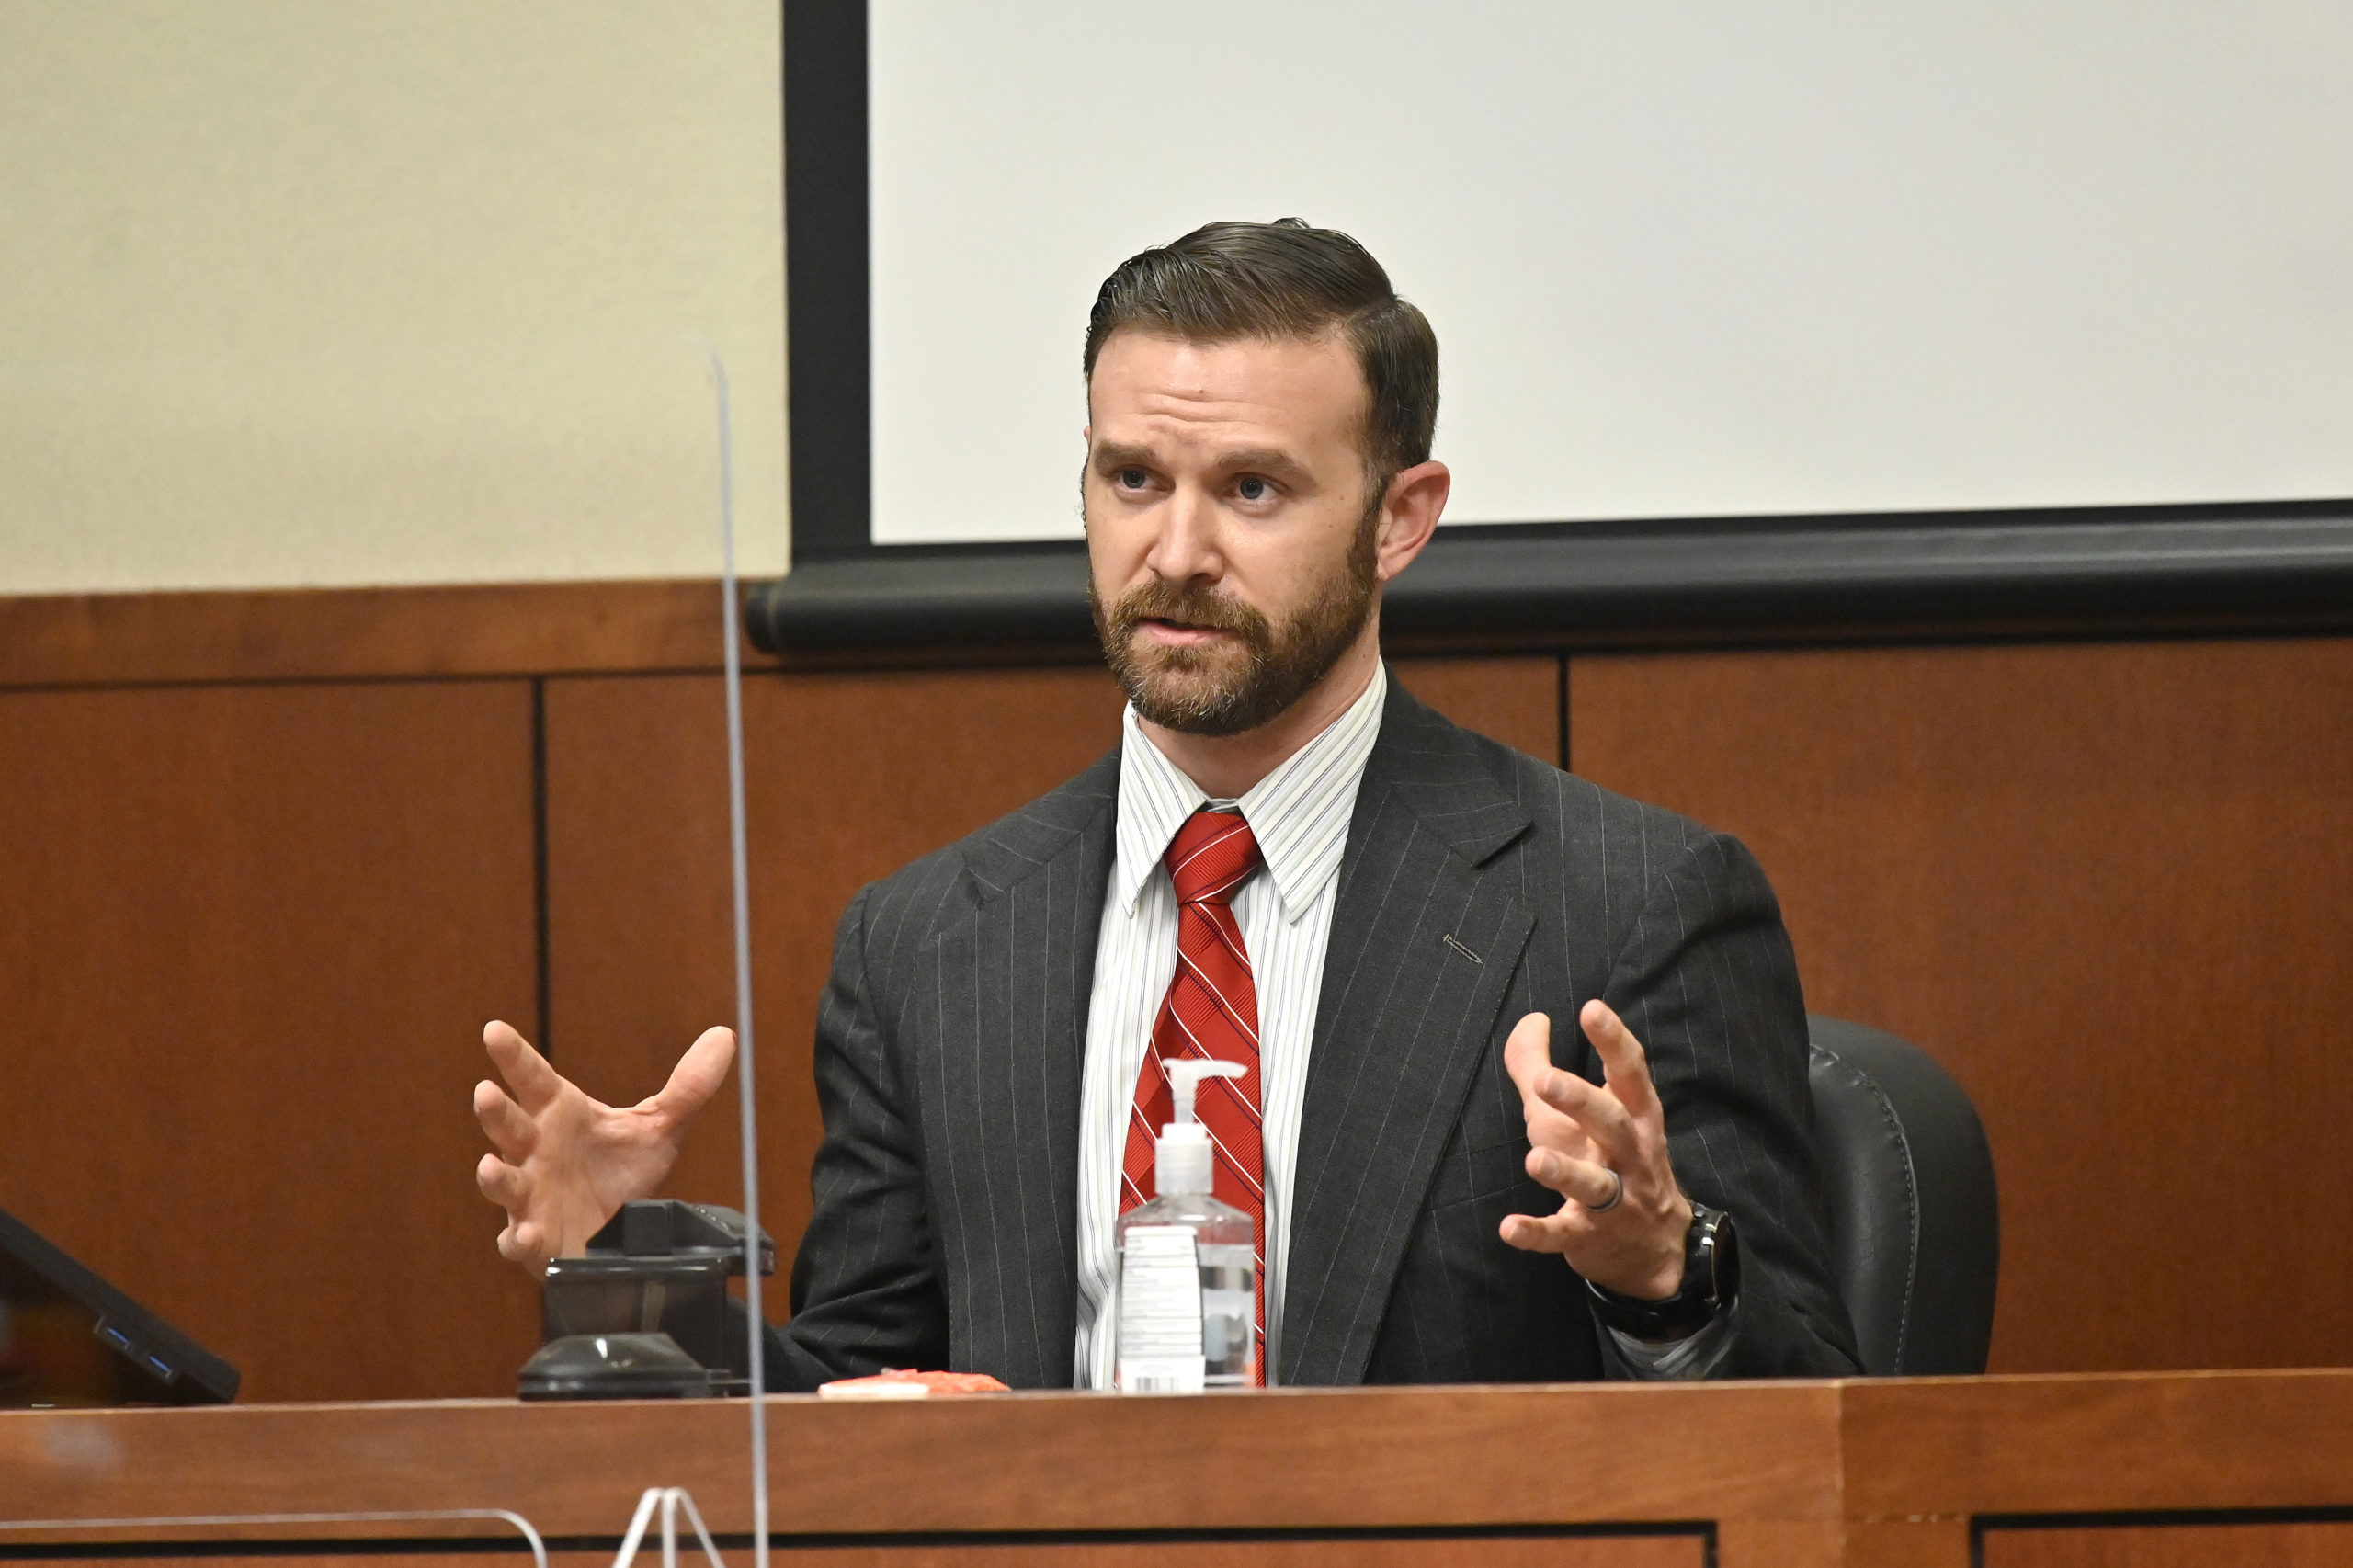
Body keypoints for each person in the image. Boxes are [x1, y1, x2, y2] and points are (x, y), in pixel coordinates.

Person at [473, 220, 1860, 1387]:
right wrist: (636, 1271)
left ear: (1401, 516)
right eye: (1133, 478)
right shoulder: (927, 943)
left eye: (1252, 489)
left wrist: (1664, 1270)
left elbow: (1820, 1422)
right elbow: (861, 1403)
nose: (1177, 551)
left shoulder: (1628, 901)